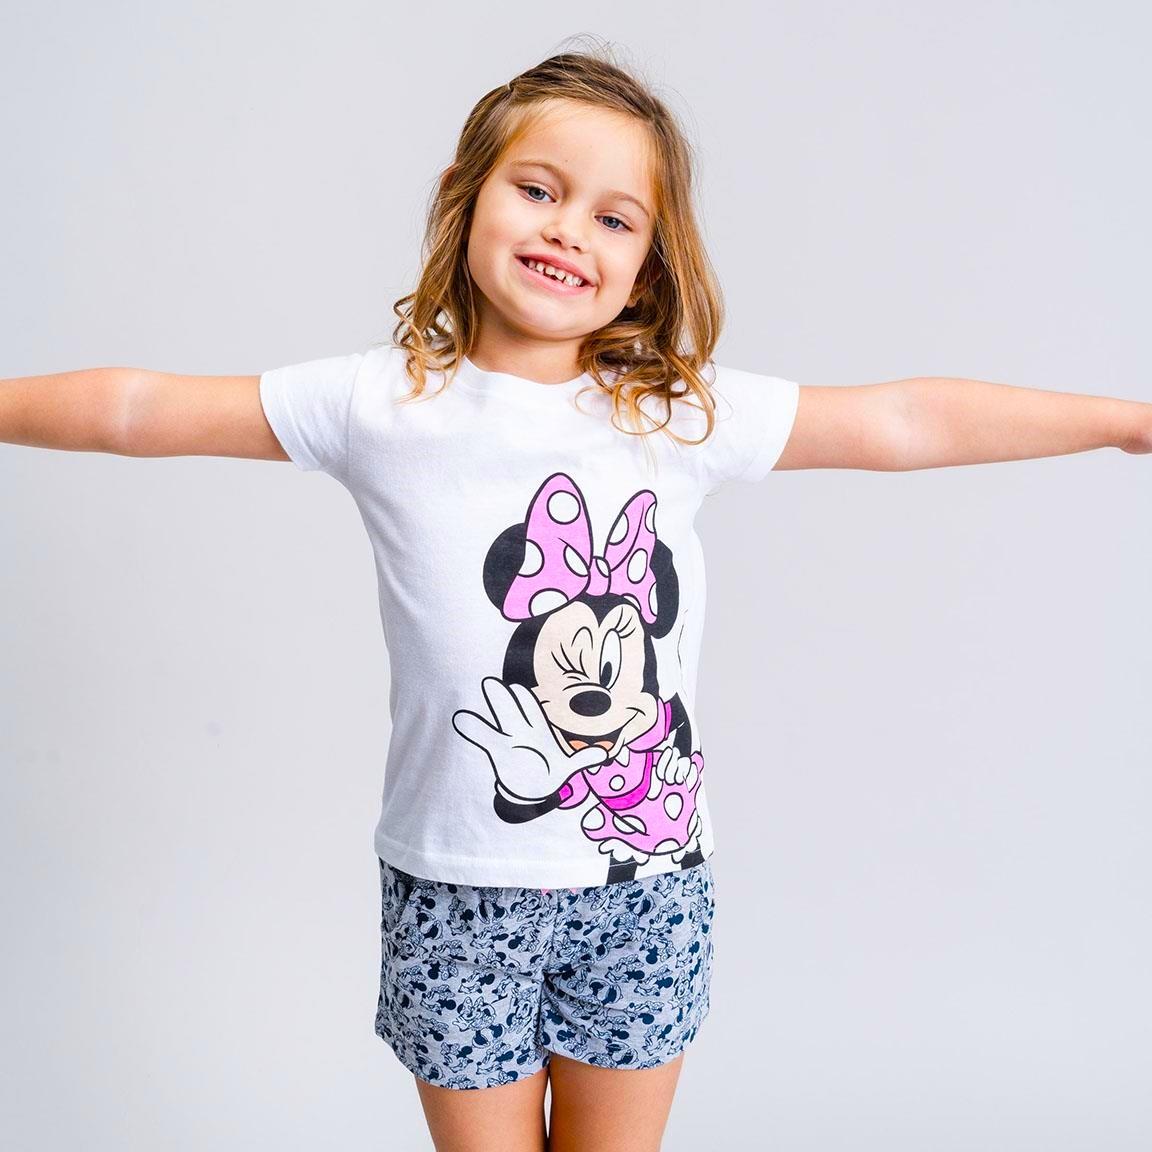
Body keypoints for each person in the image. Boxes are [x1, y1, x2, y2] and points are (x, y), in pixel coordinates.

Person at [2, 43, 1149, 1152]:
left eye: (614, 217)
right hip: (456, 888)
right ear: (465, 196)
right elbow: (137, 410)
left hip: (641, 887)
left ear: (647, 264)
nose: (567, 230)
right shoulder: (379, 404)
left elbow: (902, 422)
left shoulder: (677, 413)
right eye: (539, 190)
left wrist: (1121, 422)